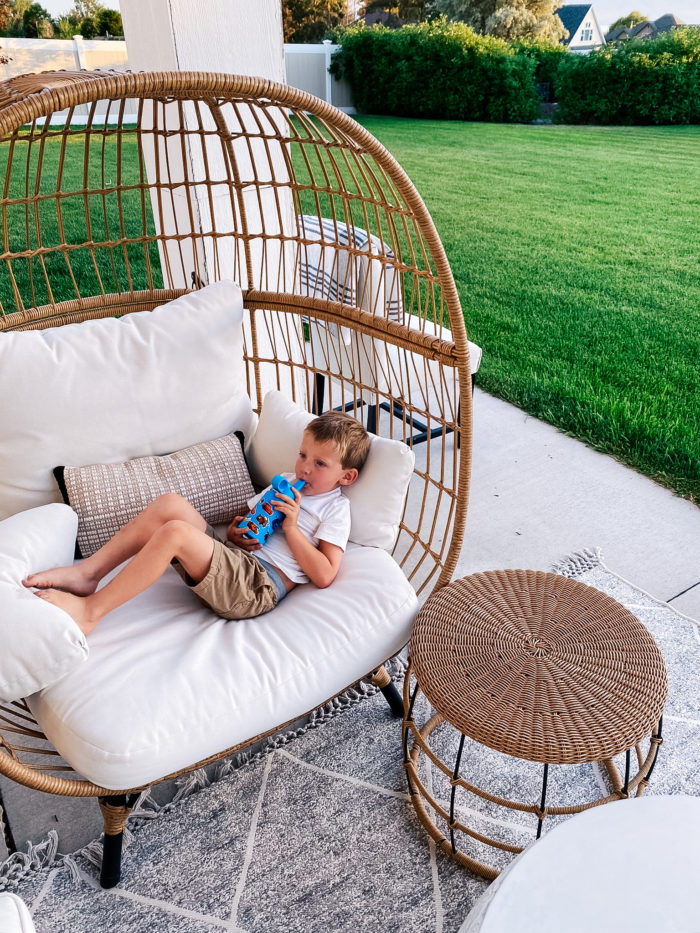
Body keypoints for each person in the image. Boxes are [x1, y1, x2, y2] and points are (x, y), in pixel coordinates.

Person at [23, 411, 370, 636]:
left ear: (347, 476)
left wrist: (293, 528)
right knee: (169, 505)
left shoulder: (335, 509)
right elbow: (249, 522)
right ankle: (88, 573)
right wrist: (237, 531)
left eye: (320, 463)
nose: (304, 467)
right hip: (234, 560)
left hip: (255, 587)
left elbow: (325, 575)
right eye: (303, 454)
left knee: (175, 534)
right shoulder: (284, 479)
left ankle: (90, 611)